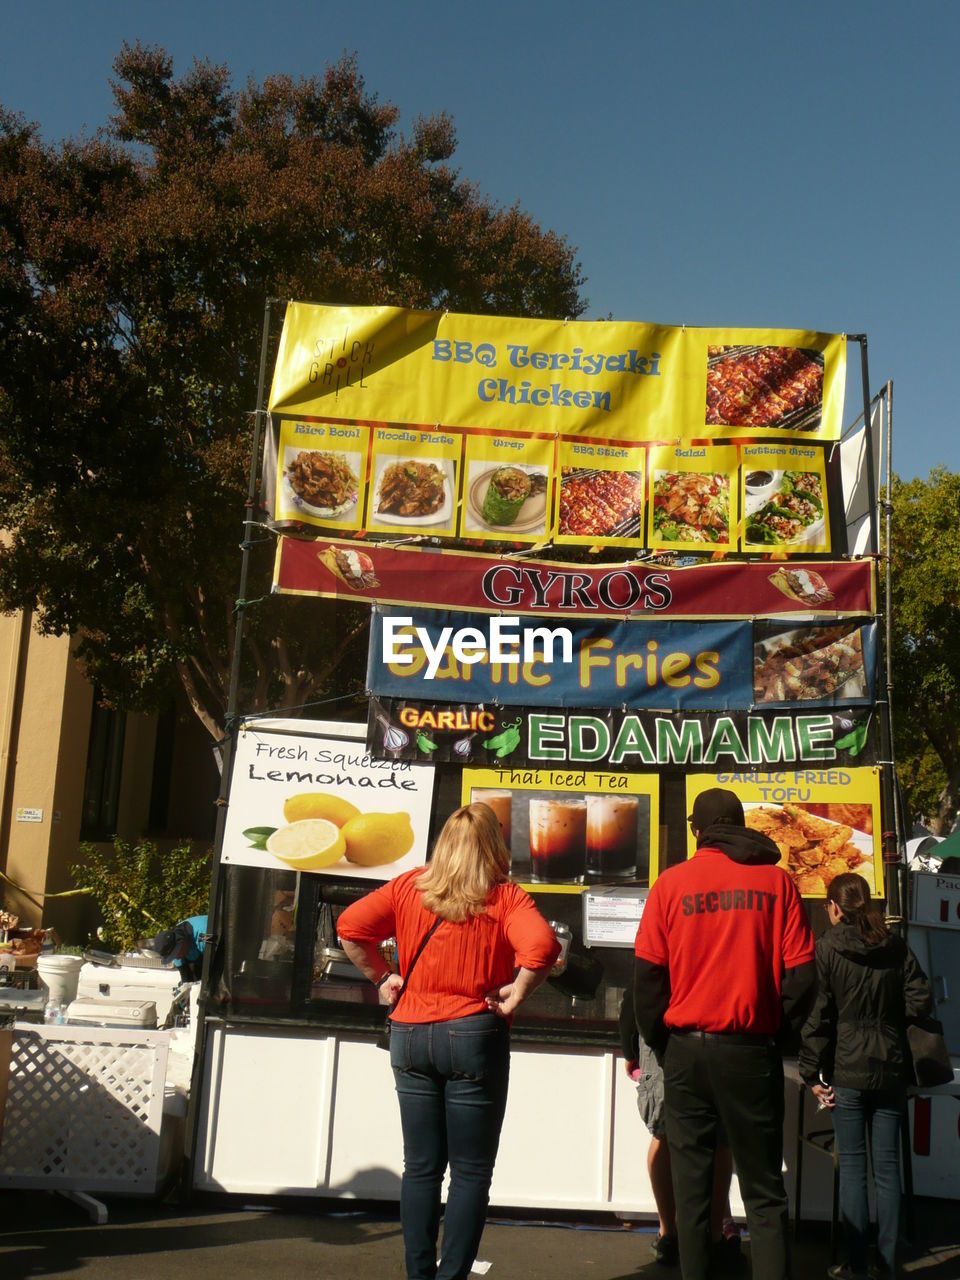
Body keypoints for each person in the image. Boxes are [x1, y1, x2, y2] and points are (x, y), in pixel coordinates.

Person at [337, 803, 560, 1280]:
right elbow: (541, 948)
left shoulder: (409, 886)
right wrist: (518, 993)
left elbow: (350, 929)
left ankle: (418, 1274)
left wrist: (382, 978)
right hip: (474, 1035)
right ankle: (451, 1276)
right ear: (494, 845)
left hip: (410, 1033)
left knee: (420, 1168)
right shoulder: (504, 897)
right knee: (471, 1172)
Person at [633, 787, 816, 1279]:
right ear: (742, 826)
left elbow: (647, 980)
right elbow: (802, 978)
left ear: (698, 831)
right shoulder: (778, 884)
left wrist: (664, 1042)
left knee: (690, 1191)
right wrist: (776, 1034)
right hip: (750, 1050)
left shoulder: (670, 884)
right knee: (763, 1191)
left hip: (686, 1052)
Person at [799, 872, 934, 1280]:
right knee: (888, 1172)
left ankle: (856, 1264)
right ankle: (888, 1265)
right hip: (890, 1067)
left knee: (854, 1171)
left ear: (836, 908)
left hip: (847, 1070)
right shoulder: (894, 947)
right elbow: (920, 1000)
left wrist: (810, 1072)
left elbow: (818, 1017)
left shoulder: (826, 948)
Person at [619, 994, 741, 1269]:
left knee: (664, 1133)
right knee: (719, 1136)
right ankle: (710, 1235)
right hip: (716, 1028)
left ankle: (669, 1234)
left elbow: (640, 987)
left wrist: (632, 1046)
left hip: (666, 1030)